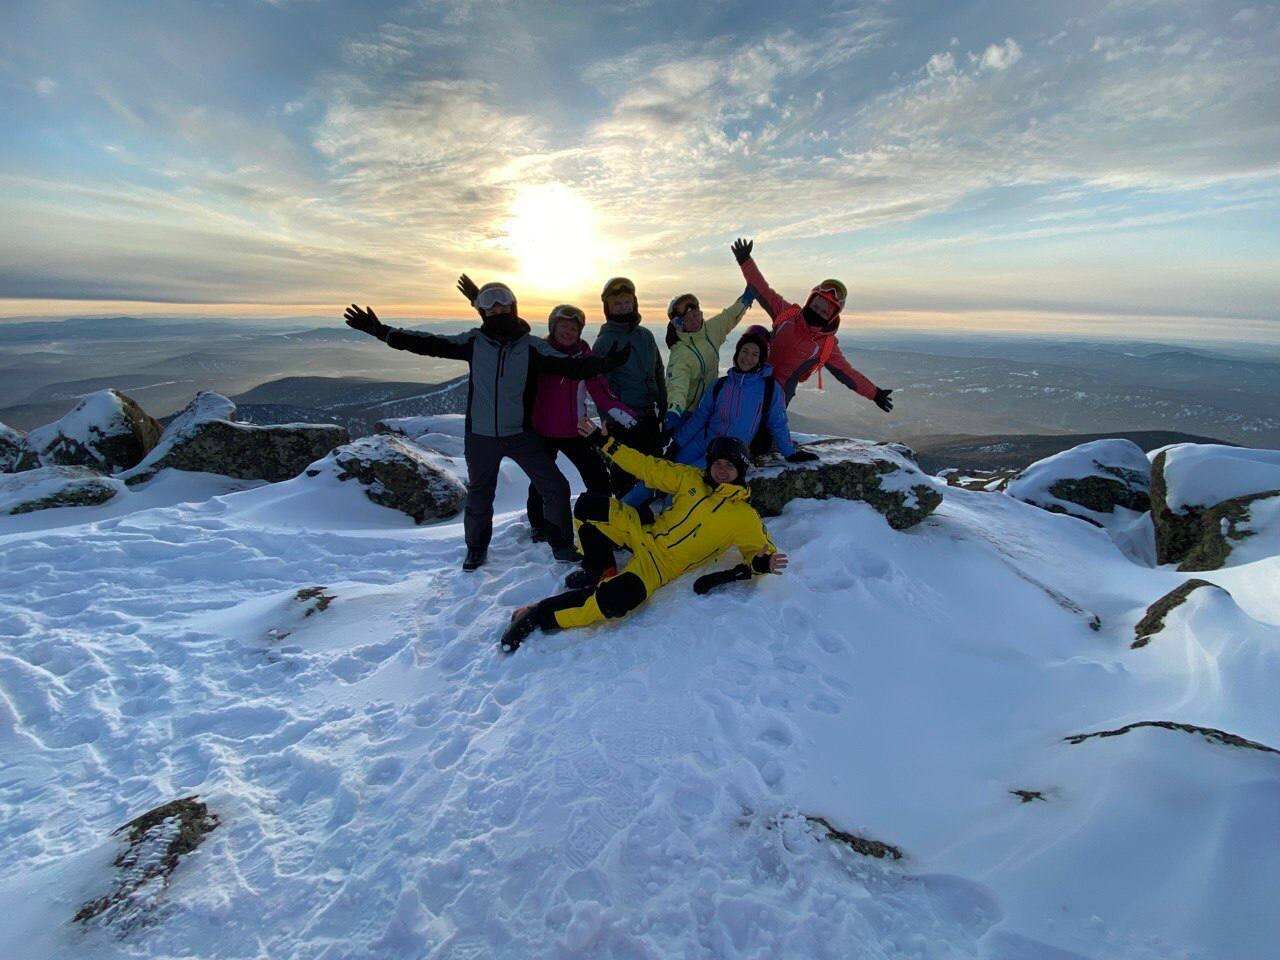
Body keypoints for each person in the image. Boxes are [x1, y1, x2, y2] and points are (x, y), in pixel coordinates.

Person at [343, 284, 628, 572]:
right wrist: (381, 331)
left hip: (520, 434)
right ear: (482, 311)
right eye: (490, 308)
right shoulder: (474, 342)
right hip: (480, 437)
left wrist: (606, 363)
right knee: (481, 494)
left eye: (503, 306)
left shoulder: (531, 346)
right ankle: (476, 550)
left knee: (554, 486)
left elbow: (572, 366)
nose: (498, 311)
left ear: (513, 308)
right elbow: (429, 343)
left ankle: (563, 547)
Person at [497, 418, 789, 653]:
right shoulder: (690, 479)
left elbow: (759, 551)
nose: (722, 469)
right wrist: (604, 443)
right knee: (589, 506)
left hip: (659, 566)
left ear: (741, 470)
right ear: (710, 462)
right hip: (643, 532)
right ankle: (600, 567)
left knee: (617, 600)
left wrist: (764, 563)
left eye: (730, 465)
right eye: (718, 462)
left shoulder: (743, 516)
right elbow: (647, 467)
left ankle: (539, 614)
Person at [623, 325, 817, 508]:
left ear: (761, 358)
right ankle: (618, 511)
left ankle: (661, 532)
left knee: (681, 488)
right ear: (737, 353)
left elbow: (778, 423)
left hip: (726, 454)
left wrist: (790, 453)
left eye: (755, 354)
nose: (748, 358)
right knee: (659, 473)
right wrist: (677, 442)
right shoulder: (720, 385)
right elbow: (700, 417)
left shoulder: (769, 389)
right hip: (702, 441)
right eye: (744, 351)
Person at [731, 238, 894, 413]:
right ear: (810, 301)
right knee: (757, 332)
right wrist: (745, 261)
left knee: (766, 426)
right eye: (816, 306)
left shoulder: (826, 345)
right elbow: (763, 290)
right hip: (755, 376)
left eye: (825, 311)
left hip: (779, 392)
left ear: (832, 316)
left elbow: (847, 374)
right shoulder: (788, 314)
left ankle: (768, 434)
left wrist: (875, 393)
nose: (818, 312)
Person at [526, 303, 639, 541]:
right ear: (552, 327)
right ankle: (538, 525)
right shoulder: (539, 352)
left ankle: (601, 519)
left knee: (597, 476)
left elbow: (600, 391)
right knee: (541, 482)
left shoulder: (585, 356)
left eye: (573, 328)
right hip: (542, 430)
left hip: (577, 430)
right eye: (563, 326)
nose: (568, 332)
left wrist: (628, 417)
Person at [591, 277, 666, 493]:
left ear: (634, 302)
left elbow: (658, 369)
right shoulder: (605, 341)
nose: (623, 308)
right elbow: (597, 386)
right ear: (608, 308)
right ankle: (625, 512)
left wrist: (663, 400)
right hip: (623, 418)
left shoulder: (645, 335)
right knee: (624, 471)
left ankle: (654, 507)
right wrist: (608, 419)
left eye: (627, 302)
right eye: (617, 303)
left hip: (648, 412)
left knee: (653, 465)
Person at [663, 286, 755, 433]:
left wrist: (745, 300)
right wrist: (674, 410)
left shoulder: (710, 330)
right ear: (679, 324)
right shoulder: (681, 353)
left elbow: (729, 316)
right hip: (686, 412)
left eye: (696, 315)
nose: (695, 320)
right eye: (688, 319)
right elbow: (677, 385)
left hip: (708, 407)